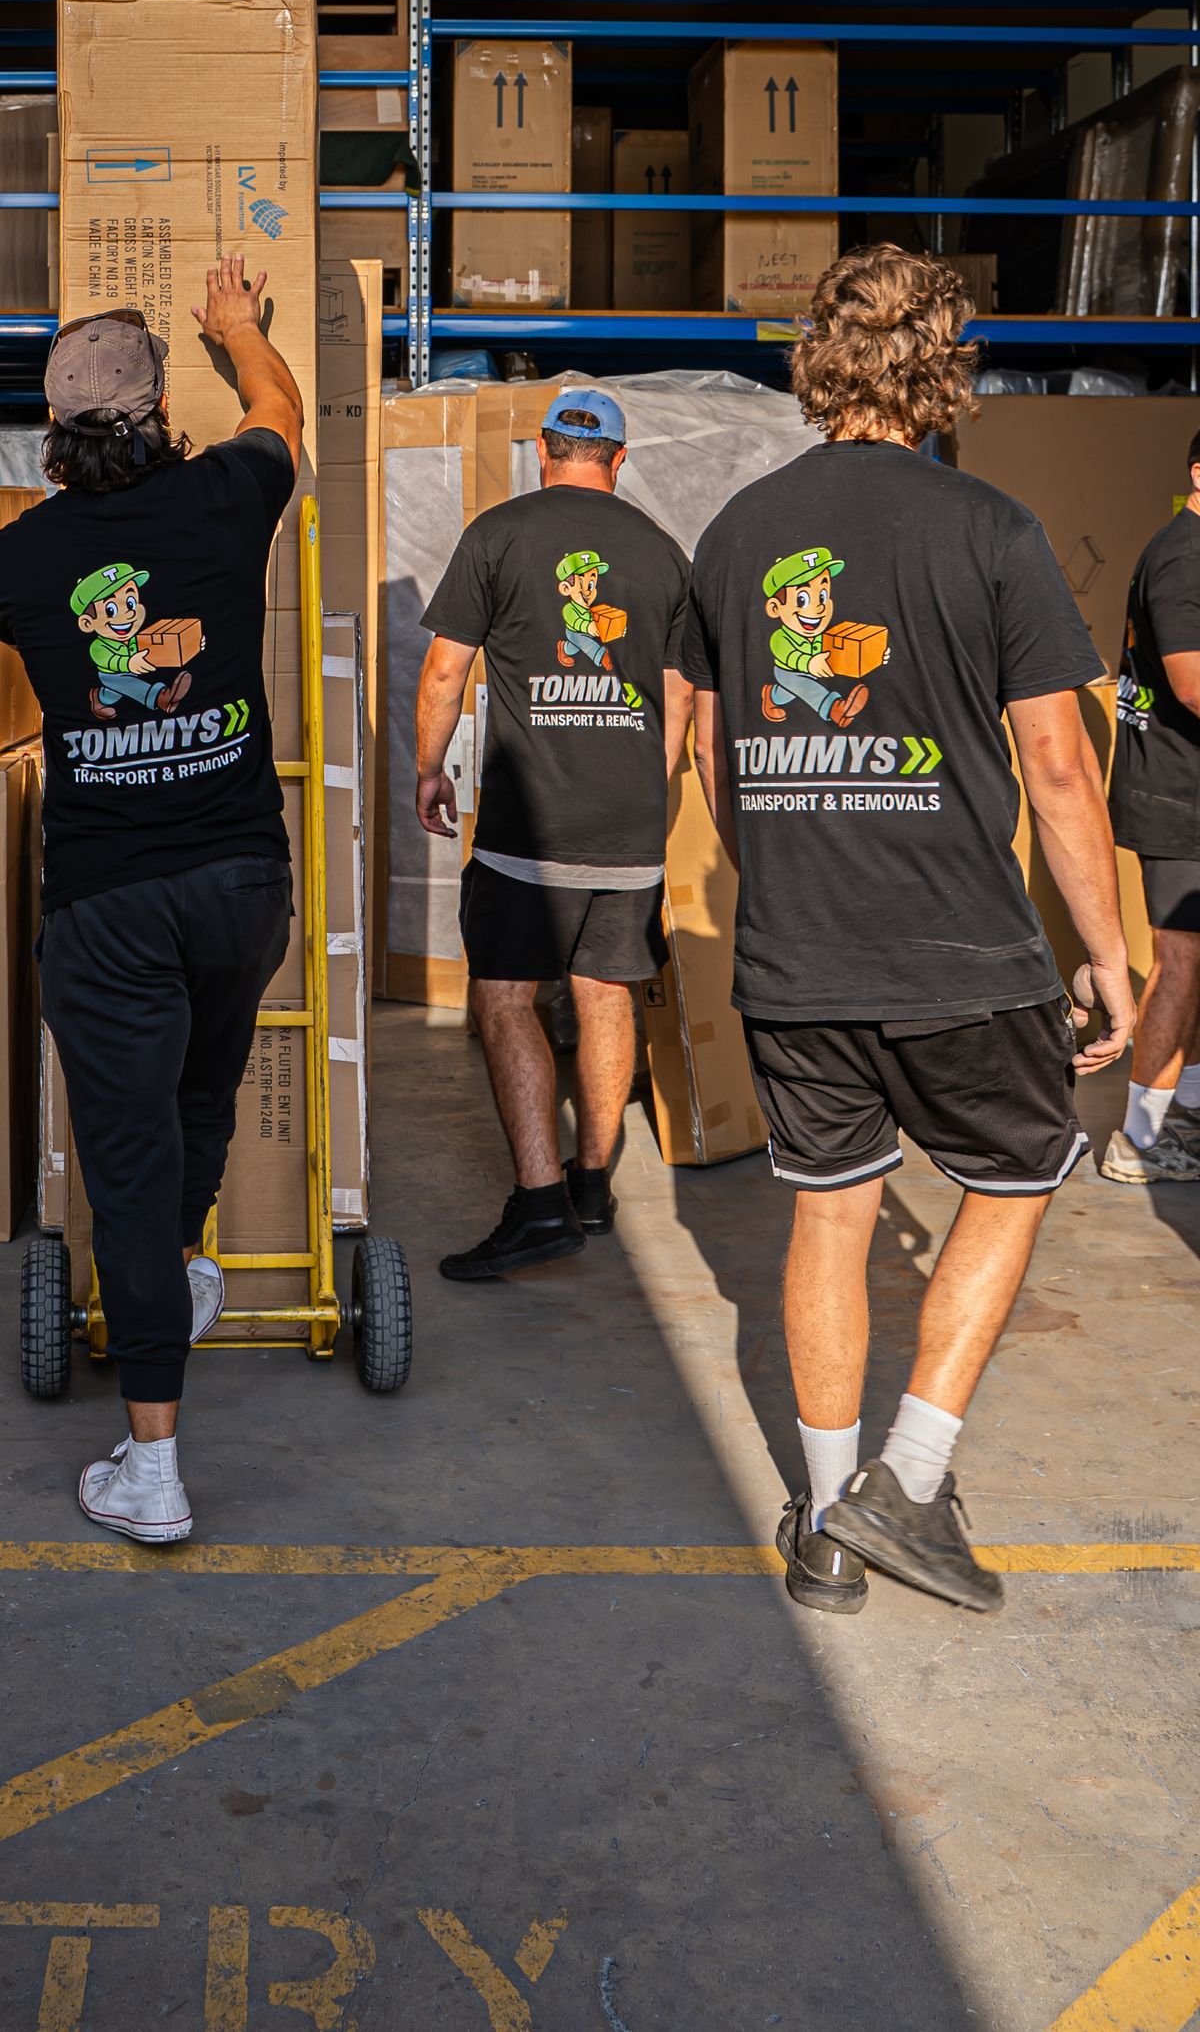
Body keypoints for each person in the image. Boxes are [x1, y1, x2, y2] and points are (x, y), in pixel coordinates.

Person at [680, 246, 1133, 1618]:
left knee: (831, 1206)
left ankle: (825, 1528)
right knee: (1019, 1172)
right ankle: (908, 1478)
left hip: (796, 946)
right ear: (944, 363)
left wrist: (777, 866)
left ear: (821, 357)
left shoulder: (737, 531)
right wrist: (1106, 952)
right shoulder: (991, 528)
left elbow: (706, 747)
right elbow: (1059, 766)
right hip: (957, 947)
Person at [0, 262, 302, 1549]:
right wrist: (238, 331)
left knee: (127, 1159)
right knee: (201, 1099)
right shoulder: (227, 500)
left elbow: (51, 637)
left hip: (108, 899)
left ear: (53, 431)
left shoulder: (18, 560)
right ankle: (179, 1276)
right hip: (238, 884)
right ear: (165, 405)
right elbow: (282, 414)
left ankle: (153, 1467)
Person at [415, 387, 694, 1281]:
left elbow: (444, 671)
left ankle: (539, 1204)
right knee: (606, 993)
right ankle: (591, 1184)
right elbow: (682, 696)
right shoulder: (663, 552)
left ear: (544, 448)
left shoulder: (498, 534)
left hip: (527, 829)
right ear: (620, 457)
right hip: (630, 824)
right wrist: (659, 793)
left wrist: (432, 769)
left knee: (505, 997)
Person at [1104, 433, 1200, 1182]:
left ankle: (1184, 1112)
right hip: (1174, 796)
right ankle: (1137, 1137)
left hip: (1185, 791)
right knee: (1180, 963)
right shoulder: (1183, 558)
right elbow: (1193, 682)